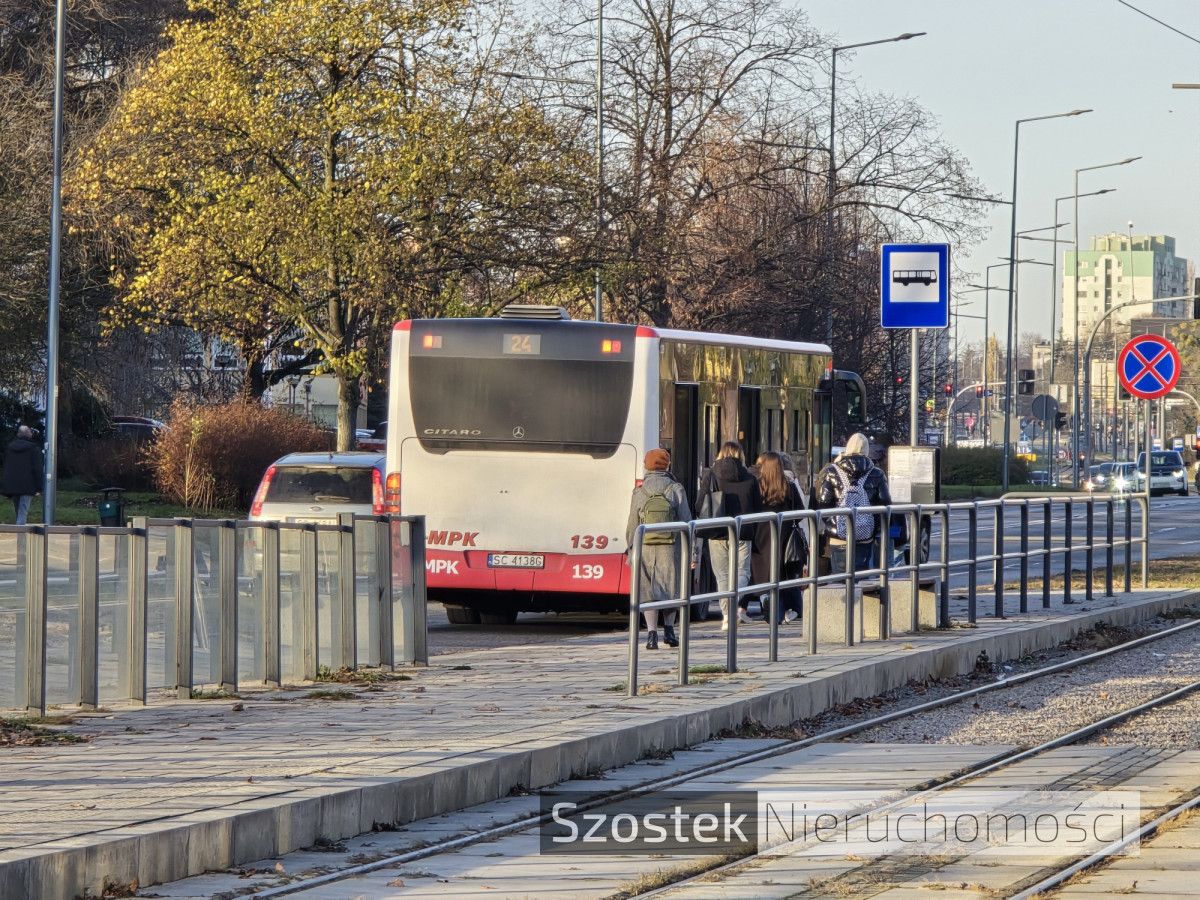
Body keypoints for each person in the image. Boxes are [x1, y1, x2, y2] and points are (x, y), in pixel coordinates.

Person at [626, 448, 692, 650]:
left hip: (645, 547)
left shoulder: (640, 491)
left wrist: (631, 550)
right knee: (671, 588)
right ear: (667, 465)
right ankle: (670, 631)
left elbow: (632, 525)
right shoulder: (675, 488)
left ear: (646, 466)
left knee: (647, 590)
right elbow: (687, 521)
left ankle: (651, 634)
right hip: (671, 547)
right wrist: (692, 552)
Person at [697, 441, 761, 629]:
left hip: (717, 531)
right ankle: (734, 608)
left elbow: (700, 504)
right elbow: (758, 508)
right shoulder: (750, 478)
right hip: (743, 532)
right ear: (740, 455)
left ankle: (726, 614)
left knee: (723, 575)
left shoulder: (710, 476)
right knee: (743, 572)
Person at [813, 432, 890, 574]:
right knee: (861, 576)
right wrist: (873, 526)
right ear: (866, 450)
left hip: (839, 537)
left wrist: (834, 524)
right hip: (865, 535)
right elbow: (885, 505)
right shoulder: (876, 473)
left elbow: (822, 502)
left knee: (840, 577)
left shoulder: (831, 471)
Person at [752, 452, 806, 624]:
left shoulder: (757, 486)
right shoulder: (787, 485)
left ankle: (771, 610)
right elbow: (800, 511)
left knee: (765, 574)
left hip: (761, 536)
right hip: (785, 534)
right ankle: (787, 609)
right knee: (784, 574)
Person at [1, 426, 42, 526]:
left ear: (18, 434)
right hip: (27, 485)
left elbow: (7, 467)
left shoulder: (10, 448)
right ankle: (20, 539)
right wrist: (40, 487)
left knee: (18, 512)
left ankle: (19, 533)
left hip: (13, 485)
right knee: (23, 512)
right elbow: (37, 469)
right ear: (29, 434)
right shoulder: (33, 449)